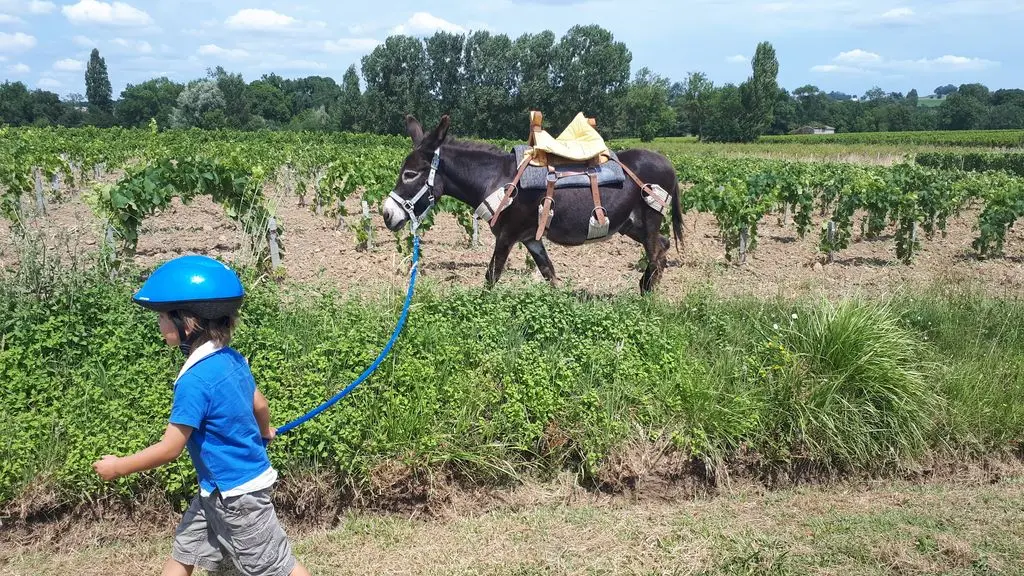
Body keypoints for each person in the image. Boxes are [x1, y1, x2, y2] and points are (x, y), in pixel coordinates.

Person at [92, 254, 310, 576]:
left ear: (188, 322)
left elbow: (170, 449)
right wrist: (266, 431)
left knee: (275, 567)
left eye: (164, 316)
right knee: (185, 549)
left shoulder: (193, 382)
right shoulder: (233, 359)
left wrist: (117, 467)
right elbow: (260, 405)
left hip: (239, 498)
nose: (159, 324)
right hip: (215, 491)